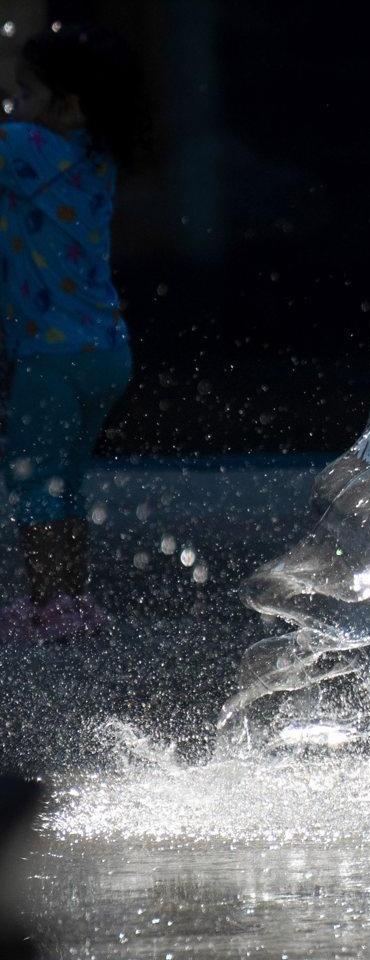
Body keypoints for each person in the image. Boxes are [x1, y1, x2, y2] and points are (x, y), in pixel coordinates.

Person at [0, 25, 145, 641]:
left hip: (51, 356)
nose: (13, 105)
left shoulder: (27, 147)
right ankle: (74, 600)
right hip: (105, 349)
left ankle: (45, 606)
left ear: (69, 105)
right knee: (68, 481)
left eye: (25, 92)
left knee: (34, 482)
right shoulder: (96, 155)